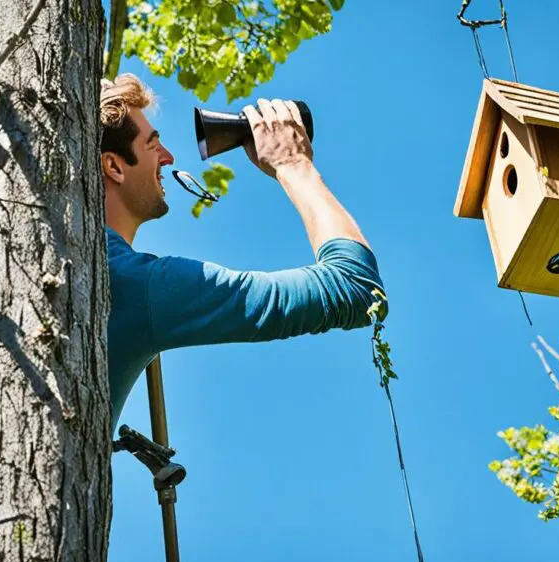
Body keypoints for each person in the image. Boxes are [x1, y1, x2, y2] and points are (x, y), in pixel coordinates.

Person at [99, 74, 386, 425]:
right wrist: (294, 165)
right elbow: (355, 288)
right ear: (113, 166)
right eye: (152, 145)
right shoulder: (138, 284)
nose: (169, 157)